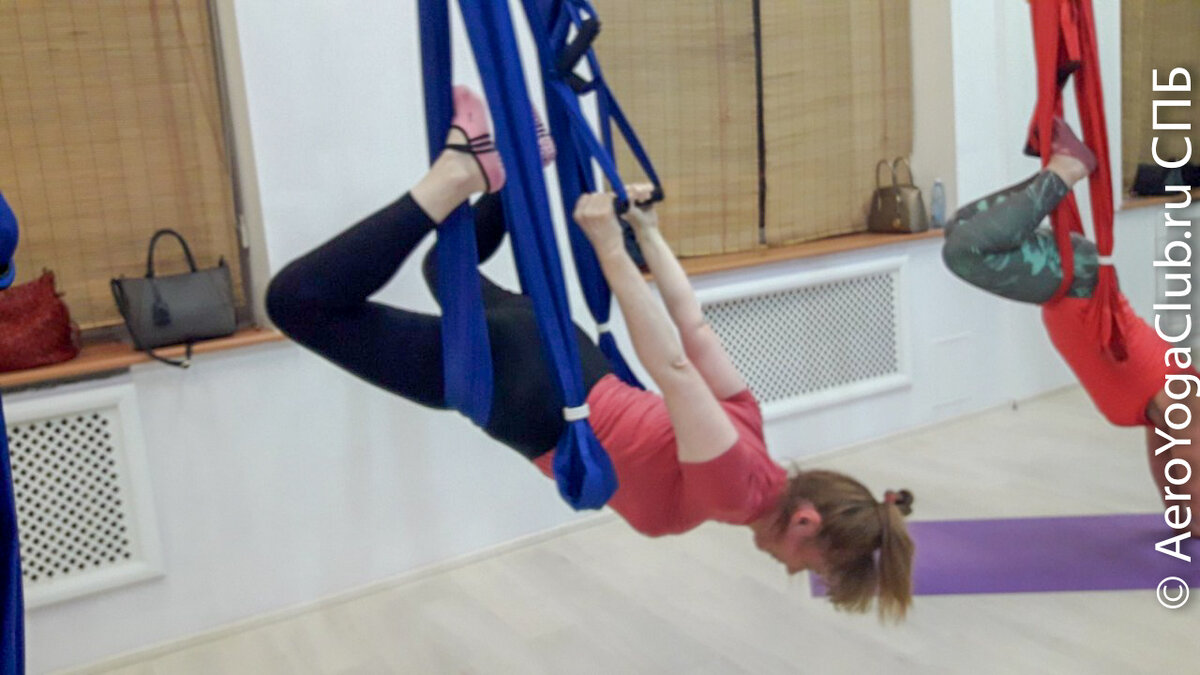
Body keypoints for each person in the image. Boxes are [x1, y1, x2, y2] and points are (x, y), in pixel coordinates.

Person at [267, 86, 915, 619]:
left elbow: (695, 329)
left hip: (556, 355)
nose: (796, 571)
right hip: (526, 391)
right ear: (806, 524)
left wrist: (647, 234)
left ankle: (517, 171)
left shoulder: (753, 436)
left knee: (446, 266)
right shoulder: (733, 489)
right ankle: (461, 171)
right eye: (816, 568)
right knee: (298, 304)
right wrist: (608, 244)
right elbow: (675, 368)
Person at [942, 117, 1200, 536]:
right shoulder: (1182, 400)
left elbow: (1176, 493)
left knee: (960, 228)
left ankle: (1060, 169)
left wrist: (1182, 518)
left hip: (1067, 291)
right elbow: (1187, 482)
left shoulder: (1160, 416)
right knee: (965, 250)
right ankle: (1067, 168)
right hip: (1080, 282)